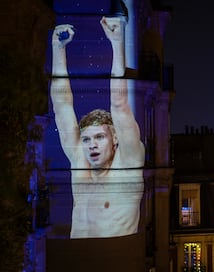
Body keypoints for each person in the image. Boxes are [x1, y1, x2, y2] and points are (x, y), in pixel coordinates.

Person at [50, 16, 145, 239]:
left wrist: (117, 42)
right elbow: (61, 105)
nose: (91, 145)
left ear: (115, 139)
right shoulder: (79, 162)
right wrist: (57, 49)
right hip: (76, 259)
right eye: (86, 139)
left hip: (116, 259)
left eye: (100, 137)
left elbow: (120, 105)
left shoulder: (128, 162)